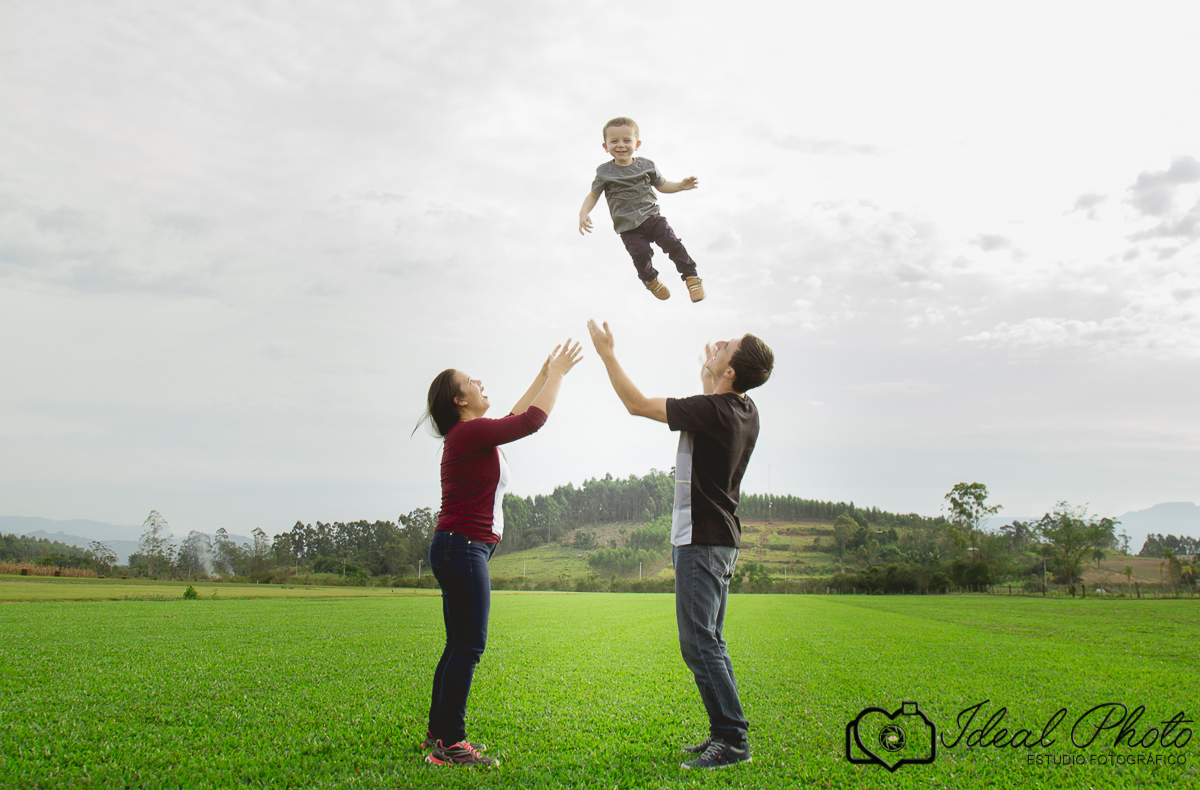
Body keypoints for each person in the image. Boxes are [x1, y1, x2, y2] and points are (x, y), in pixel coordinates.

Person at [586, 319, 774, 770]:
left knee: (698, 644)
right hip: (719, 541)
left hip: (702, 540)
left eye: (729, 346)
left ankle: (732, 740)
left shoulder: (712, 412)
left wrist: (607, 354)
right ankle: (723, 733)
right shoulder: (744, 409)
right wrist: (712, 368)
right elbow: (715, 392)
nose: (722, 342)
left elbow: (636, 405)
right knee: (711, 640)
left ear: (731, 373)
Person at [417, 340, 582, 768]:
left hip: (459, 547)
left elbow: (512, 417)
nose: (480, 382)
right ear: (460, 400)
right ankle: (451, 743)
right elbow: (531, 421)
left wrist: (545, 374)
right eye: (472, 382)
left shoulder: (470, 434)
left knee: (458, 644)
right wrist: (559, 375)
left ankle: (439, 735)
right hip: (462, 547)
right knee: (469, 645)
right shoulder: (468, 433)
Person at [578, 117, 706, 303]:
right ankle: (650, 279)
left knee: (672, 243)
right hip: (628, 227)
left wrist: (680, 186)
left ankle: (691, 277)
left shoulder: (646, 166)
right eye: (614, 141)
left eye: (626, 140)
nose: (621, 145)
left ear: (636, 144)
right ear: (605, 146)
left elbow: (662, 186)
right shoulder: (604, 172)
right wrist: (584, 212)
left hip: (652, 218)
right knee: (640, 253)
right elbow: (593, 195)